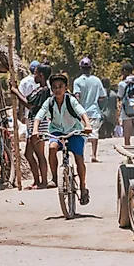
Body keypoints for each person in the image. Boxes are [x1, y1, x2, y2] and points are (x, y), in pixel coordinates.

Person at [33, 73, 93, 205]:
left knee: (78, 158)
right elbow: (39, 116)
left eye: (60, 86)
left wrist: (87, 125)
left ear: (66, 88)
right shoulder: (49, 102)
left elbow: (81, 112)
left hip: (74, 131)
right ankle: (55, 178)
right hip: (56, 132)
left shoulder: (70, 100)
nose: (57, 89)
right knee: (52, 147)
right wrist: (35, 130)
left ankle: (83, 186)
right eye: (54, 87)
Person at [11, 63, 52, 189]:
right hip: (33, 122)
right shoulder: (39, 89)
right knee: (28, 154)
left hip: (39, 124)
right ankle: (36, 180)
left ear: (41, 75)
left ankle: (43, 181)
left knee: (39, 154)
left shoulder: (44, 91)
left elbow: (29, 104)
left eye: (35, 74)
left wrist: (15, 91)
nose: (33, 76)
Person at [73, 58, 106, 163]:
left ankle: (81, 155)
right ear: (91, 68)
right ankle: (94, 155)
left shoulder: (77, 81)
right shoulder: (97, 81)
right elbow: (102, 96)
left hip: (81, 112)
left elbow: (76, 96)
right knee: (94, 133)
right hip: (94, 111)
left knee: (82, 134)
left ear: (80, 68)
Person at [118, 62, 134, 146]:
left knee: (127, 136)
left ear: (124, 71)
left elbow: (120, 96)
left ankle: (128, 156)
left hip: (126, 112)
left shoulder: (122, 84)